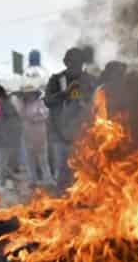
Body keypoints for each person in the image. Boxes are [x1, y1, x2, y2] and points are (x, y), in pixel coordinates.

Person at [44, 48, 97, 190]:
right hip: (59, 133)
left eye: (78, 63)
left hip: (83, 133)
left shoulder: (91, 80)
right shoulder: (56, 80)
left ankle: (79, 202)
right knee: (63, 171)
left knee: (85, 170)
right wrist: (64, 94)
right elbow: (47, 101)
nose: (75, 66)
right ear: (65, 62)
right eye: (71, 63)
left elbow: (97, 104)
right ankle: (62, 204)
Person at [18, 79, 52, 188]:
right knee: (30, 159)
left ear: (34, 94)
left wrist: (34, 118)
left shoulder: (41, 103)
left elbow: (45, 115)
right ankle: (32, 180)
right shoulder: (23, 105)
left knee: (43, 159)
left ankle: (47, 180)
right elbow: (20, 116)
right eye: (27, 94)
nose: (29, 95)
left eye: (30, 93)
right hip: (27, 135)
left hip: (40, 133)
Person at [0, 85, 24, 190]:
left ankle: (3, 182)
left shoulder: (7, 105)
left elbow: (14, 121)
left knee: (1, 162)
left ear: (0, 95)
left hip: (5, 138)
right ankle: (10, 178)